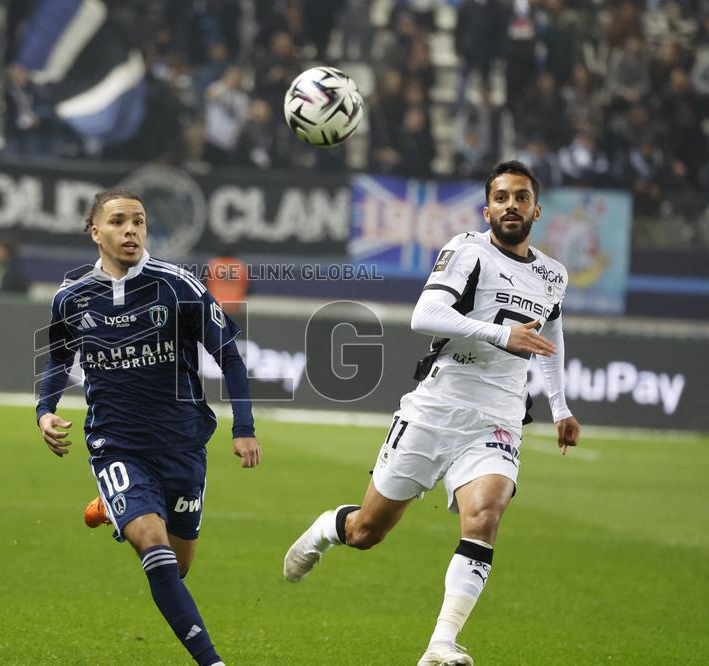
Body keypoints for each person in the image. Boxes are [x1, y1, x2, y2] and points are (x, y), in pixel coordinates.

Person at [282, 161, 582, 666]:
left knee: (485, 515)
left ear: (535, 209)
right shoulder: (467, 250)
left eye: (522, 197)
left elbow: (550, 333)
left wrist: (561, 407)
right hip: (437, 407)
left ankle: (440, 644)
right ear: (487, 209)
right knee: (366, 532)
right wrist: (499, 333)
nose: (512, 204)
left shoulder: (554, 274)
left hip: (499, 416)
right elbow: (426, 315)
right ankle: (326, 528)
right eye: (502, 197)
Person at [36, 189, 261, 666]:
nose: (131, 230)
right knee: (154, 551)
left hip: (182, 443)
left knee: (177, 567)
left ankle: (112, 506)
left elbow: (230, 358)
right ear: (95, 231)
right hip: (116, 445)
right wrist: (45, 409)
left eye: (139, 221)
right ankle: (213, 662)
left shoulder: (178, 286)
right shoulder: (71, 297)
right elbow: (58, 360)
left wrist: (244, 425)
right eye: (118, 221)